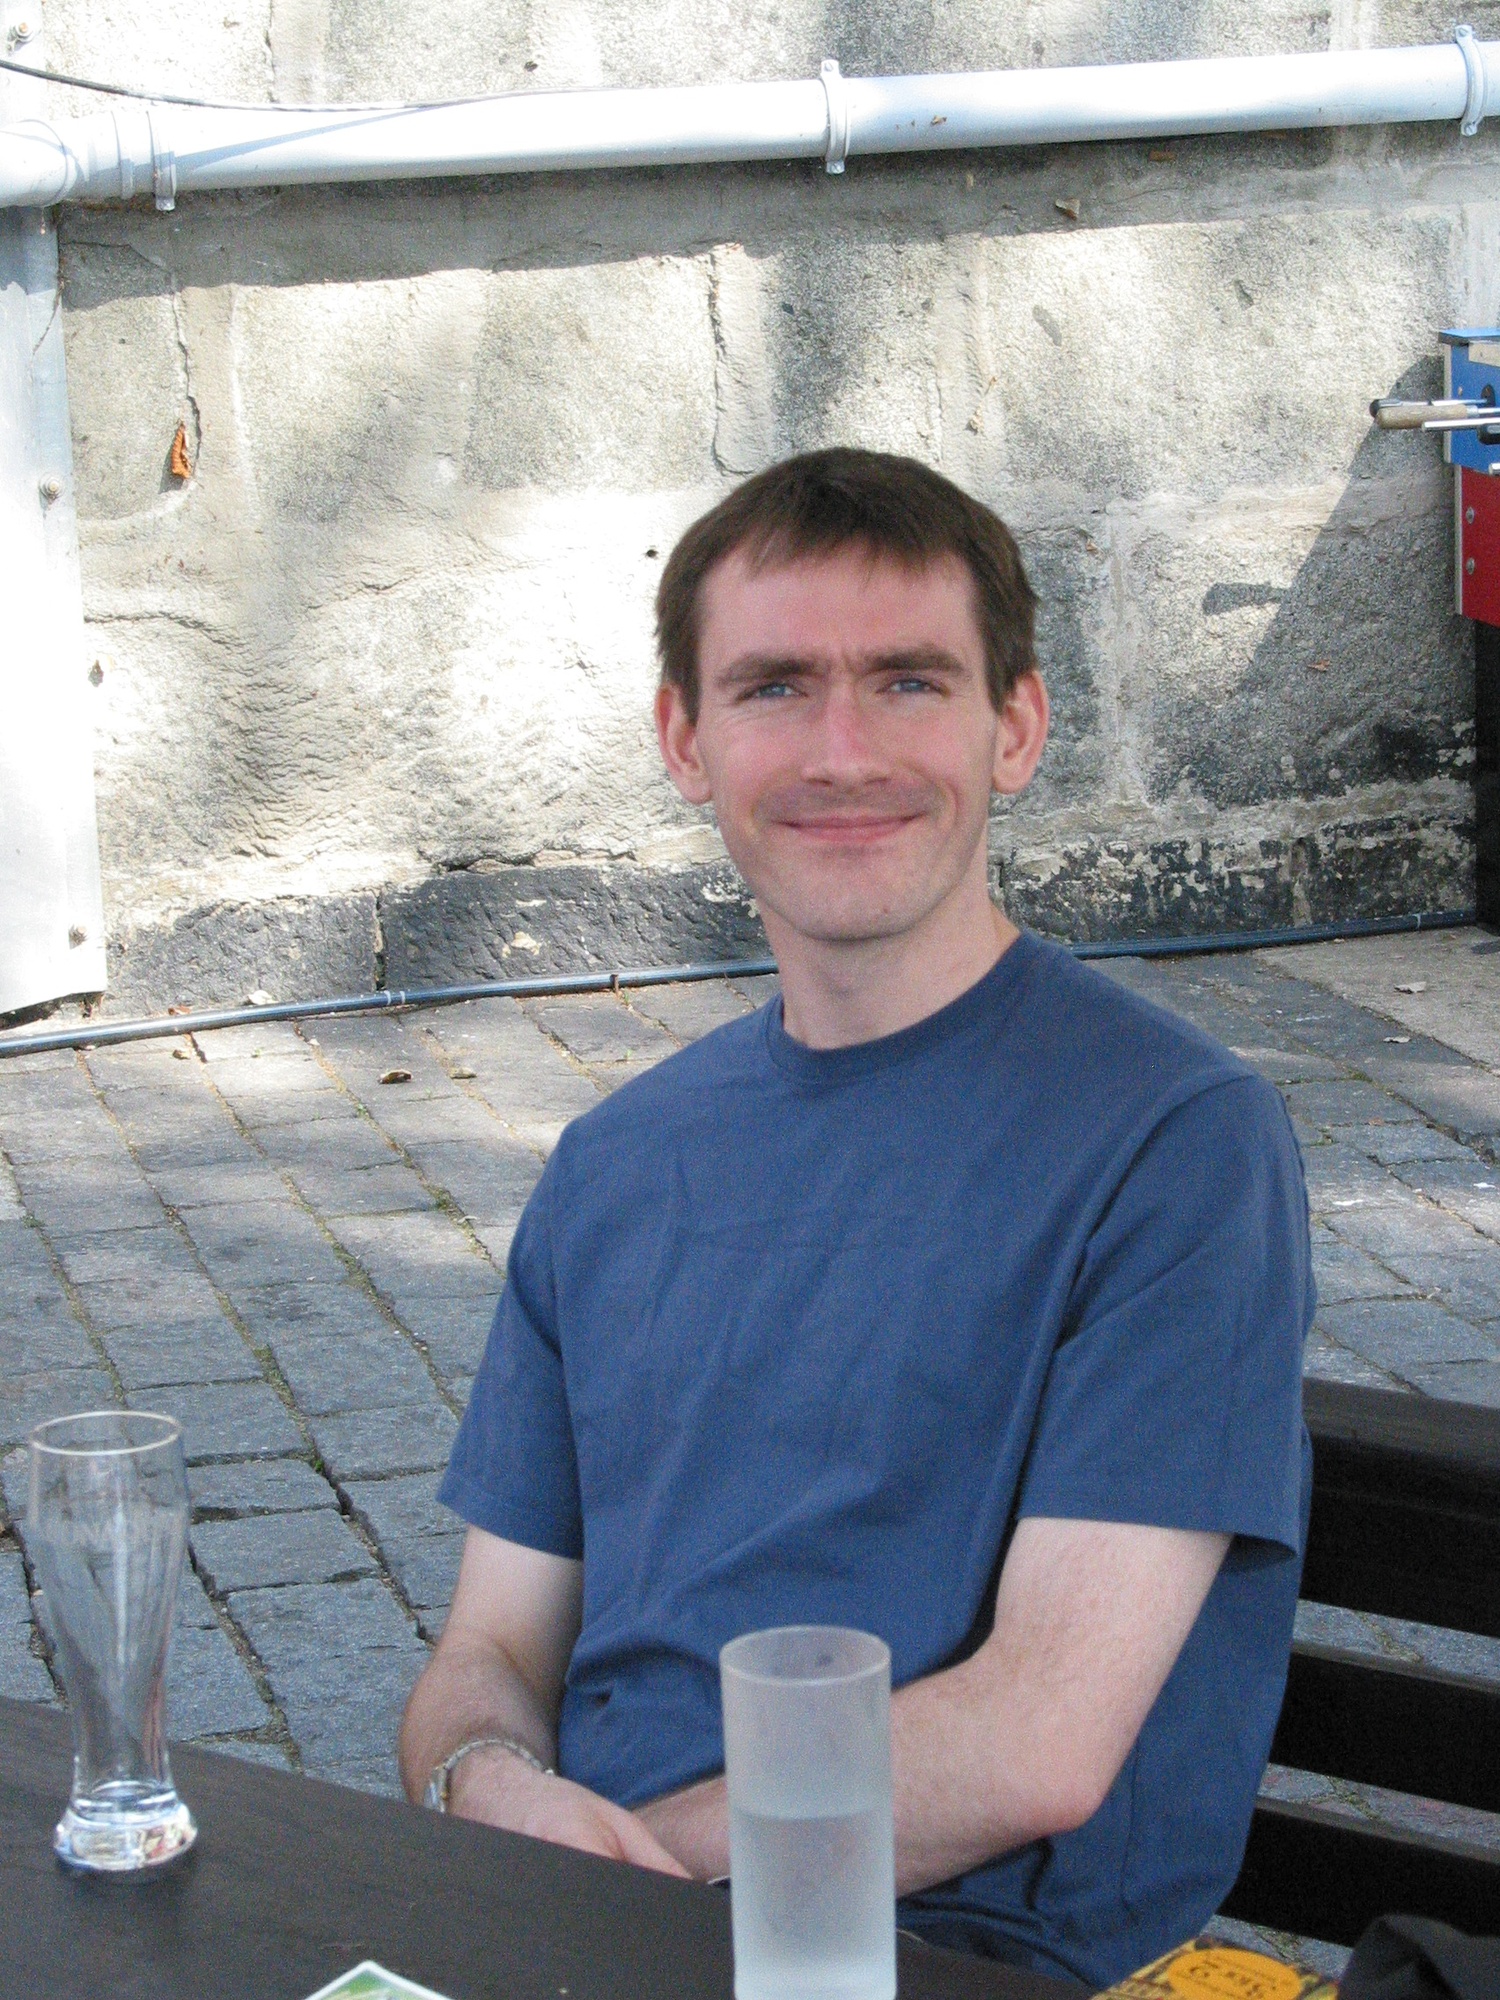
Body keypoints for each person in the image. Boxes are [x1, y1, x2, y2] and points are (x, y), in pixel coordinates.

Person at [398, 448, 1312, 1990]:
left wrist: (619, 1887)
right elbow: (489, 1649)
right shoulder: (616, 1165)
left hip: (940, 1949)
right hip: (592, 1933)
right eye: (773, 688)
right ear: (685, 740)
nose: (842, 751)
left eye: (907, 682)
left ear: (1014, 727)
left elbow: (1036, 1741)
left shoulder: (1174, 1144)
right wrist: (482, 1783)